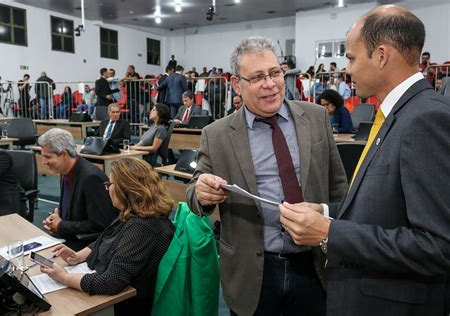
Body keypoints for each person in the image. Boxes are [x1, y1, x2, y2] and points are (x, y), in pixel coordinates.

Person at [279, 6, 450, 316]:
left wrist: (330, 232)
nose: (348, 70)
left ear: (382, 56)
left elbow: (437, 246)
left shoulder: (426, 119)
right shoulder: (397, 113)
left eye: (352, 58)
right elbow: (385, 200)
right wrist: (327, 211)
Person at [186, 36, 347, 316]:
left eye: (275, 73)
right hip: (253, 272)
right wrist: (201, 192)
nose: (270, 83)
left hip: (316, 264)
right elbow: (194, 192)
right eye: (258, 77)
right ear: (238, 84)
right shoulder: (216, 135)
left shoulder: (317, 117)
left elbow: (339, 190)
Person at [40, 157, 175, 316]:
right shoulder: (134, 211)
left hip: (125, 305)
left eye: (110, 184)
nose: (107, 189)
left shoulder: (142, 226)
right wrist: (77, 256)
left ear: (126, 189)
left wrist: (64, 278)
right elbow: (107, 238)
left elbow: (111, 282)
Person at [39, 128, 117, 251]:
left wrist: (61, 225)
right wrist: (57, 215)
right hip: (67, 238)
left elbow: (101, 224)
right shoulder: (64, 171)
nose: (43, 162)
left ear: (64, 154)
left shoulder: (91, 178)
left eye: (48, 157)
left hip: (84, 247)